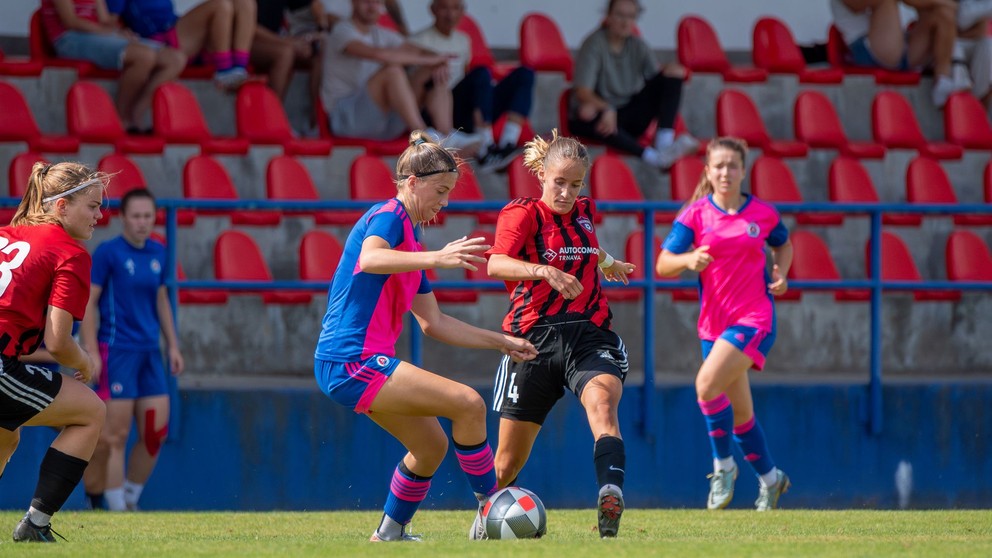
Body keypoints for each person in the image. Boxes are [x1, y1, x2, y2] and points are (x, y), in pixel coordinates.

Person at [313, 129, 538, 542]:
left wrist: (501, 341)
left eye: (449, 191)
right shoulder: (390, 217)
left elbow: (434, 322)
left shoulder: (411, 238)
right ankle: (492, 512)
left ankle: (389, 533)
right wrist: (438, 257)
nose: (445, 202)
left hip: (355, 362)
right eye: (440, 190)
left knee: (432, 446)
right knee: (469, 404)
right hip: (350, 360)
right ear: (412, 182)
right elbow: (371, 257)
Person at [485, 130, 636, 538]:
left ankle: (610, 493)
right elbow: (495, 264)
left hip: (589, 335)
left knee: (603, 406)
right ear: (542, 176)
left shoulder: (584, 212)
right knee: (504, 465)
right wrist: (542, 271)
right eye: (559, 182)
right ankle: (487, 521)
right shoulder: (523, 214)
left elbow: (585, 247)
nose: (567, 192)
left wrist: (607, 263)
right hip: (532, 341)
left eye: (575, 184)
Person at [655, 137, 793, 511]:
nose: (725, 172)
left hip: (755, 319)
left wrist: (782, 273)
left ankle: (723, 468)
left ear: (744, 170)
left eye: (732, 165)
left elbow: (783, 242)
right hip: (713, 327)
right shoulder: (696, 214)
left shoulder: (762, 214)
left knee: (705, 385)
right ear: (708, 171)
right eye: (718, 166)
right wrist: (688, 260)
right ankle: (771, 479)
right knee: (742, 416)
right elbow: (662, 263)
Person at [0, 161, 108, 542]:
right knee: (91, 412)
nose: (99, 215)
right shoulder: (70, 253)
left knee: (5, 435)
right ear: (61, 207)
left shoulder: (4, 234)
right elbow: (59, 343)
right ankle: (36, 525)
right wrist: (85, 362)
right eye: (92, 206)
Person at [78, 189, 184, 513]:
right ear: (122, 217)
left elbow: (162, 300)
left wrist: (173, 346)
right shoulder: (108, 253)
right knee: (115, 436)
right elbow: (88, 303)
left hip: (150, 353)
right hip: (117, 352)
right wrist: (92, 352)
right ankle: (113, 508)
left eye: (148, 216)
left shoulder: (159, 251)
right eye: (136, 216)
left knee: (155, 432)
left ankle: (130, 498)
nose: (142, 223)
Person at [320, 0, 483, 153]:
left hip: (383, 121)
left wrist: (436, 60)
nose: (372, 7)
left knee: (430, 70)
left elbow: (418, 50)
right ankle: (424, 138)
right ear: (353, 2)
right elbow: (379, 55)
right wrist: (430, 59)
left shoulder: (382, 34)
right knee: (392, 72)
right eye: (366, 1)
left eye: (377, 2)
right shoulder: (342, 30)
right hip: (345, 120)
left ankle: (446, 135)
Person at [568, 0, 699, 171]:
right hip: (598, 114)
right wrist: (607, 108)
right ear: (608, 17)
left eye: (630, 16)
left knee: (675, 72)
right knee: (588, 112)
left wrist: (669, 72)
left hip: (627, 113)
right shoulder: (594, 44)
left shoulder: (638, 45)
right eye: (620, 15)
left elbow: (656, 82)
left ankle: (663, 146)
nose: (625, 22)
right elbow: (582, 91)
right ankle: (656, 159)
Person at [410, 0, 536, 171]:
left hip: (464, 109)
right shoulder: (417, 41)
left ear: (463, 11)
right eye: (444, 8)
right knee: (481, 73)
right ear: (433, 10)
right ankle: (486, 147)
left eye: (456, 8)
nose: (450, 14)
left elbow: (464, 76)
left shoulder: (463, 41)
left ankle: (507, 144)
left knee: (524, 74)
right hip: (436, 110)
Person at [41, 0, 186, 132]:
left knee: (175, 59)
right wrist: (108, 33)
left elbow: (104, 19)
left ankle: (138, 112)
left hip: (97, 35)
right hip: (70, 39)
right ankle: (121, 118)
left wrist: (120, 32)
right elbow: (71, 21)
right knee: (143, 56)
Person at [829, 0, 970, 107]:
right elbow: (857, 5)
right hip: (867, 50)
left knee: (942, 13)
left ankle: (943, 79)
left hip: (898, 45)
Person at [107, 0, 256, 90]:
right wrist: (120, 32)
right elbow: (109, 20)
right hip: (160, 42)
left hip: (178, 31)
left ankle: (238, 70)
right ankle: (224, 72)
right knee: (220, 5)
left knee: (245, 2)